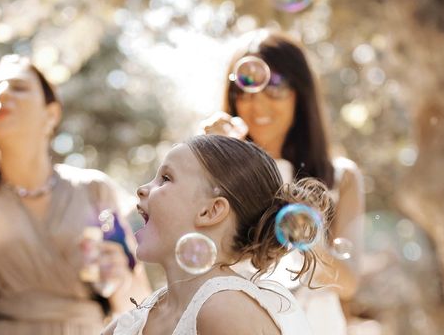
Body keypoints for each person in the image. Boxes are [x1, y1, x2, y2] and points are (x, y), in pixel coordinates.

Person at [0, 54, 151, 334]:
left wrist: (120, 277)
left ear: (51, 114)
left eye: (18, 87)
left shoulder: (93, 190)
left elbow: (136, 303)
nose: (2, 93)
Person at [201, 29, 365, 335]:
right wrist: (208, 163)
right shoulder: (216, 170)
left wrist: (303, 237)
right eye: (244, 90)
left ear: (300, 94)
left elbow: (349, 283)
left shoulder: (342, 178)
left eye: (274, 88)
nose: (257, 105)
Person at [103, 135, 331, 335]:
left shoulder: (225, 309)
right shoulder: (139, 318)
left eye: (166, 178)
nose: (142, 189)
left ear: (210, 211)